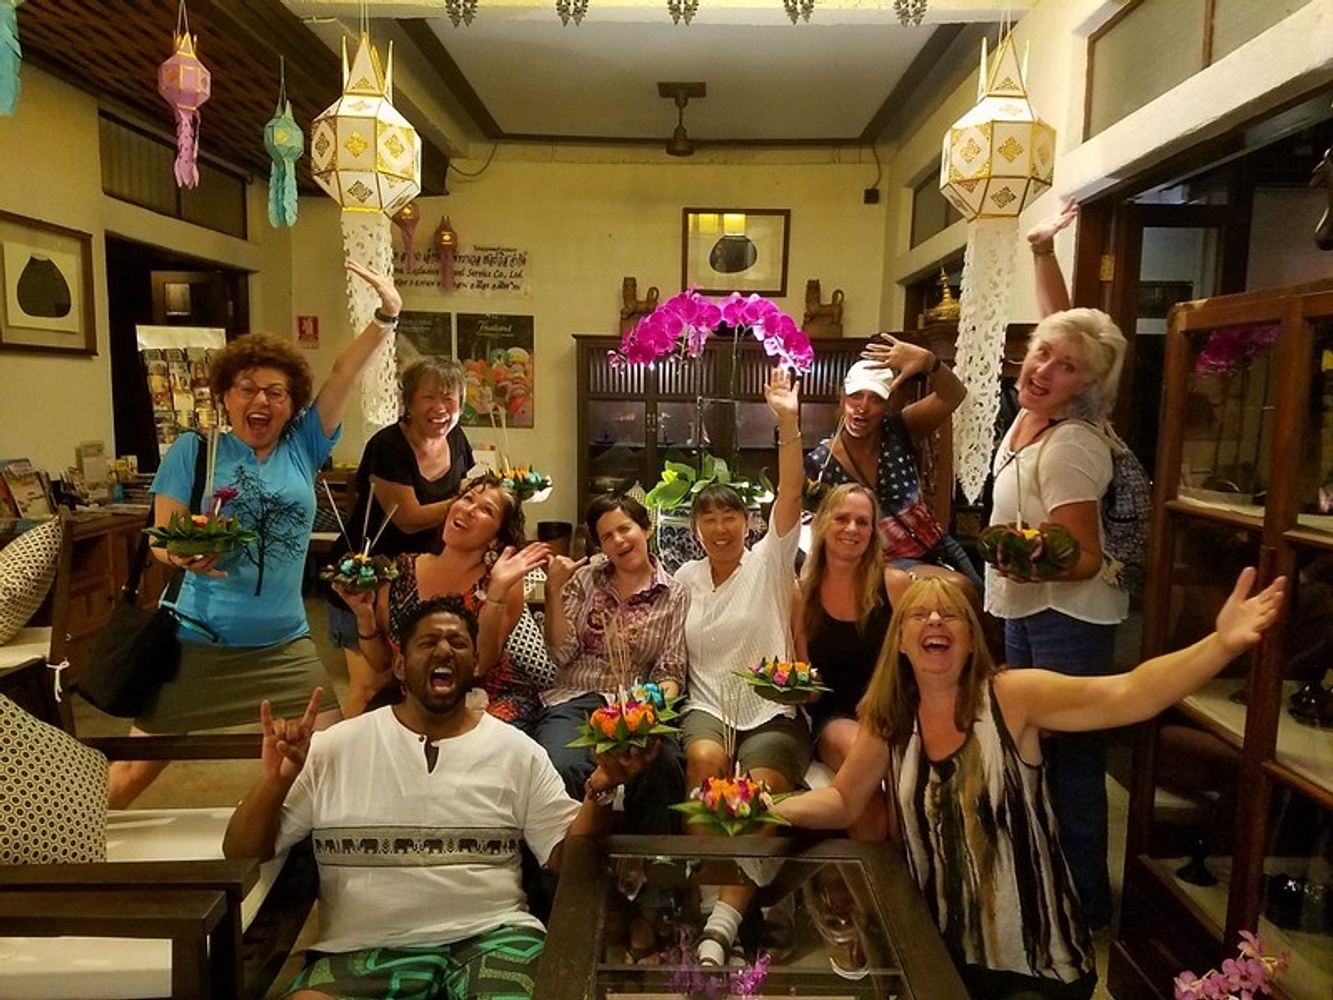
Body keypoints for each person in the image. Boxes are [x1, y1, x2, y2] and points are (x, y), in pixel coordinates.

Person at [774, 570, 1286, 999]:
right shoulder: (889, 718)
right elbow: (843, 801)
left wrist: (1220, 644)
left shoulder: (1012, 697)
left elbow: (1131, 693)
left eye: (950, 614)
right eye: (919, 614)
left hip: (1035, 962)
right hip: (940, 955)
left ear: (971, 637)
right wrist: (762, 807)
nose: (934, 621)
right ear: (901, 642)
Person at [222, 596, 640, 1000]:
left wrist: (602, 787)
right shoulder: (335, 747)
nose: (444, 650)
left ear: (474, 665)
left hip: (494, 937)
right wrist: (275, 782)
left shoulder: (516, 751)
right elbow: (241, 849)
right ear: (400, 665)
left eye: (458, 643)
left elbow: (566, 856)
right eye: (427, 642)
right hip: (363, 947)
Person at [108, 261, 403, 809]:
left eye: (276, 392)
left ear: (292, 406)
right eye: (247, 389)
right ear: (225, 395)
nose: (261, 401)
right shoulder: (194, 451)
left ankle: (294, 847)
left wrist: (386, 317)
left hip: (283, 643)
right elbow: (162, 538)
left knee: (332, 759)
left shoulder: (304, 446)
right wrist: (182, 555)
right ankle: (60, 842)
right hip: (198, 640)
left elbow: (344, 372)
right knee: (129, 774)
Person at [984, 199, 1129, 927]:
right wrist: (1043, 251)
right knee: (1032, 743)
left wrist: (1021, 563)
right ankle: (1044, 881)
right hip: (1029, 609)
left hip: (1065, 618)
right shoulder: (1034, 410)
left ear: (1086, 386)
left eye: (1065, 367)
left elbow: (1083, 558)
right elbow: (1065, 328)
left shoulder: (1070, 442)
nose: (1043, 368)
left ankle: (1083, 905)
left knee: (1070, 758)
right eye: (1041, 353)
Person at [673, 367, 805, 966]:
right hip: (708, 706)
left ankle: (719, 923)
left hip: (770, 709)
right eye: (708, 519)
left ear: (748, 523)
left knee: (760, 792)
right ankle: (719, 901)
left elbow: (791, 495)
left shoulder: (769, 564)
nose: (720, 527)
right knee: (704, 762)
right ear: (695, 529)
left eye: (730, 517)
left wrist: (787, 423)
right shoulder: (685, 578)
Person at [536, 493, 688, 956]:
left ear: (645, 528)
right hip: (578, 697)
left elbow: (672, 670)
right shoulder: (586, 579)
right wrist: (554, 592)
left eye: (625, 528)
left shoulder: (675, 592)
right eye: (606, 536)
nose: (619, 541)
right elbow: (561, 653)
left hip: (637, 703)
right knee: (559, 762)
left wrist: (650, 704)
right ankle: (576, 896)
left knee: (663, 765)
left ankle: (652, 904)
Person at [339, 473, 551, 729]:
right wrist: (364, 616)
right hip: (418, 697)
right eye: (467, 499)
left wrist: (496, 591)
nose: (469, 510)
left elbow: (481, 665)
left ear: (496, 537)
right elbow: (383, 663)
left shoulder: (503, 579)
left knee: (474, 742)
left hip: (490, 696)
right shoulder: (400, 570)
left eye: (486, 510)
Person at [326, 357, 475, 716]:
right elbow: (408, 519)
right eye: (429, 397)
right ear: (408, 402)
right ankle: (335, 751)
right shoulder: (388, 445)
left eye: (449, 398)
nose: (440, 408)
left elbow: (465, 489)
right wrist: (463, 504)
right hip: (366, 578)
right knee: (369, 686)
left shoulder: (457, 439)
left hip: (416, 582)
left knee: (406, 685)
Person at [805, 346, 981, 597]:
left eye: (876, 399)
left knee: (980, 600)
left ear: (887, 405)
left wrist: (929, 362)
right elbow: (811, 526)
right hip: (887, 563)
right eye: (856, 396)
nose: (863, 407)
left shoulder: (899, 429)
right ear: (843, 398)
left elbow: (954, 395)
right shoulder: (821, 462)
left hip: (938, 544)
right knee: (959, 591)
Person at [792, 483, 908, 840]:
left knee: (872, 798)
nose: (852, 529)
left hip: (894, 712)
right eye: (842, 518)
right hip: (836, 716)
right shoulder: (801, 594)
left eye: (863, 521)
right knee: (864, 751)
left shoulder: (895, 585)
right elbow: (810, 686)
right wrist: (791, 689)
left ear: (873, 532)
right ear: (822, 523)